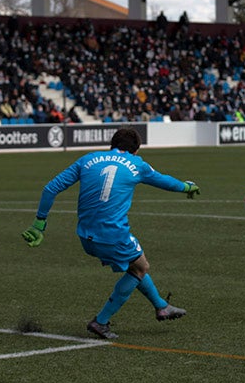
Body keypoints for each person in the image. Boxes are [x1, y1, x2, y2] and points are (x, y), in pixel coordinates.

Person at [21, 128, 200, 340]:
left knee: (135, 265)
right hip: (112, 236)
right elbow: (165, 181)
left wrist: (39, 224)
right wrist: (186, 187)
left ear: (111, 145)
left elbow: (50, 188)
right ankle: (101, 321)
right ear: (135, 150)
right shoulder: (137, 164)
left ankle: (161, 306)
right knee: (141, 267)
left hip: (85, 237)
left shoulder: (88, 159)